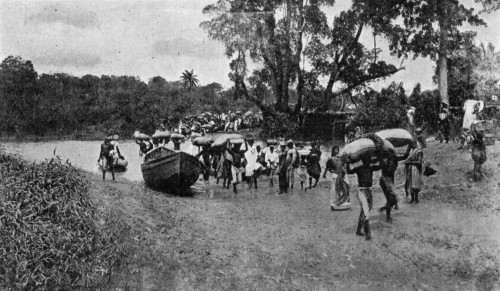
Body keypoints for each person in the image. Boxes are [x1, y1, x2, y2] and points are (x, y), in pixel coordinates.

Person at [346, 157, 381, 240]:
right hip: (362, 191)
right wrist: (347, 163)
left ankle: (358, 230)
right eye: (366, 160)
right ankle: (368, 233)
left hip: (368, 191)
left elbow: (380, 166)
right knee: (365, 211)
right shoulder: (363, 168)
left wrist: (381, 155)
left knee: (366, 209)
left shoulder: (368, 168)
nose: (367, 162)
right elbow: (349, 171)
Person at [378, 145, 412, 222]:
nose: (391, 154)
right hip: (385, 180)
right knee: (391, 199)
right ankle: (388, 217)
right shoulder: (385, 160)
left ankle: (386, 210)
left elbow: (405, 156)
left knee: (392, 199)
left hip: (388, 180)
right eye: (389, 153)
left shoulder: (393, 158)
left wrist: (409, 147)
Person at [324, 146, 350, 211]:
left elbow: (343, 166)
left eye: (337, 149)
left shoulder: (340, 158)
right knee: (335, 190)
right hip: (335, 175)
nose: (336, 150)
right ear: (333, 150)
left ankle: (342, 203)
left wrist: (344, 172)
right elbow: (327, 167)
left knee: (344, 188)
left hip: (341, 175)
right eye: (335, 149)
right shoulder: (331, 159)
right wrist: (328, 172)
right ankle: (334, 204)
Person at [405, 139, 424, 203]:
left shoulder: (419, 151)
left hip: (416, 169)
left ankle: (416, 199)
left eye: (411, 144)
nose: (410, 145)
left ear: (415, 144)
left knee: (415, 184)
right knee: (411, 184)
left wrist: (410, 162)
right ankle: (412, 198)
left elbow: (419, 162)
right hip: (411, 169)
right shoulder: (412, 151)